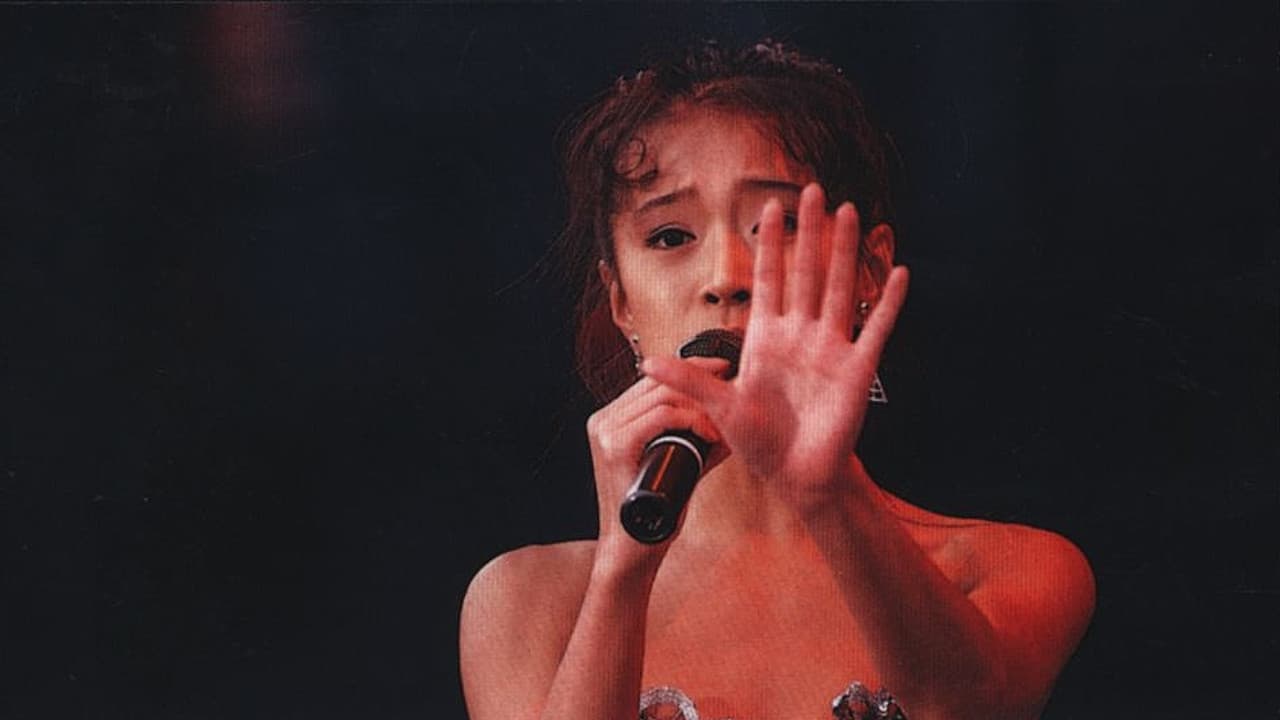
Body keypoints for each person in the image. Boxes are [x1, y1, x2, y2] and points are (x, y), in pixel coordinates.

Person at [460, 41, 1094, 720]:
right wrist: (623, 572)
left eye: (779, 224)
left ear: (869, 272)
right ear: (622, 304)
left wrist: (827, 492)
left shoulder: (1010, 567)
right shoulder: (528, 602)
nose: (725, 278)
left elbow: (966, 707)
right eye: (671, 237)